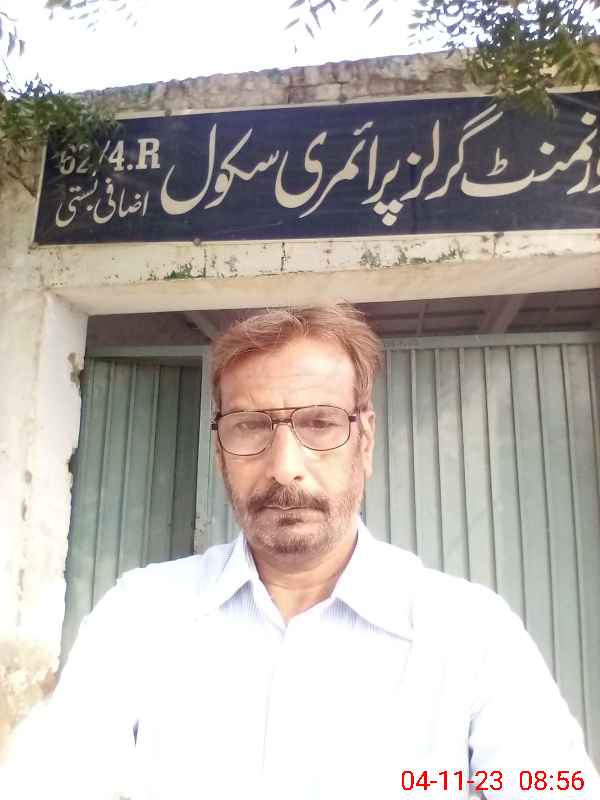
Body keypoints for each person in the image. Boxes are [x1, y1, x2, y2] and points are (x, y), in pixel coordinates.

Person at [2, 303, 599, 800]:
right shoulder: (142, 613)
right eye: (249, 425)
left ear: (365, 441)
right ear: (220, 451)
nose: (284, 467)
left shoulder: (469, 632)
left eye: (319, 424)